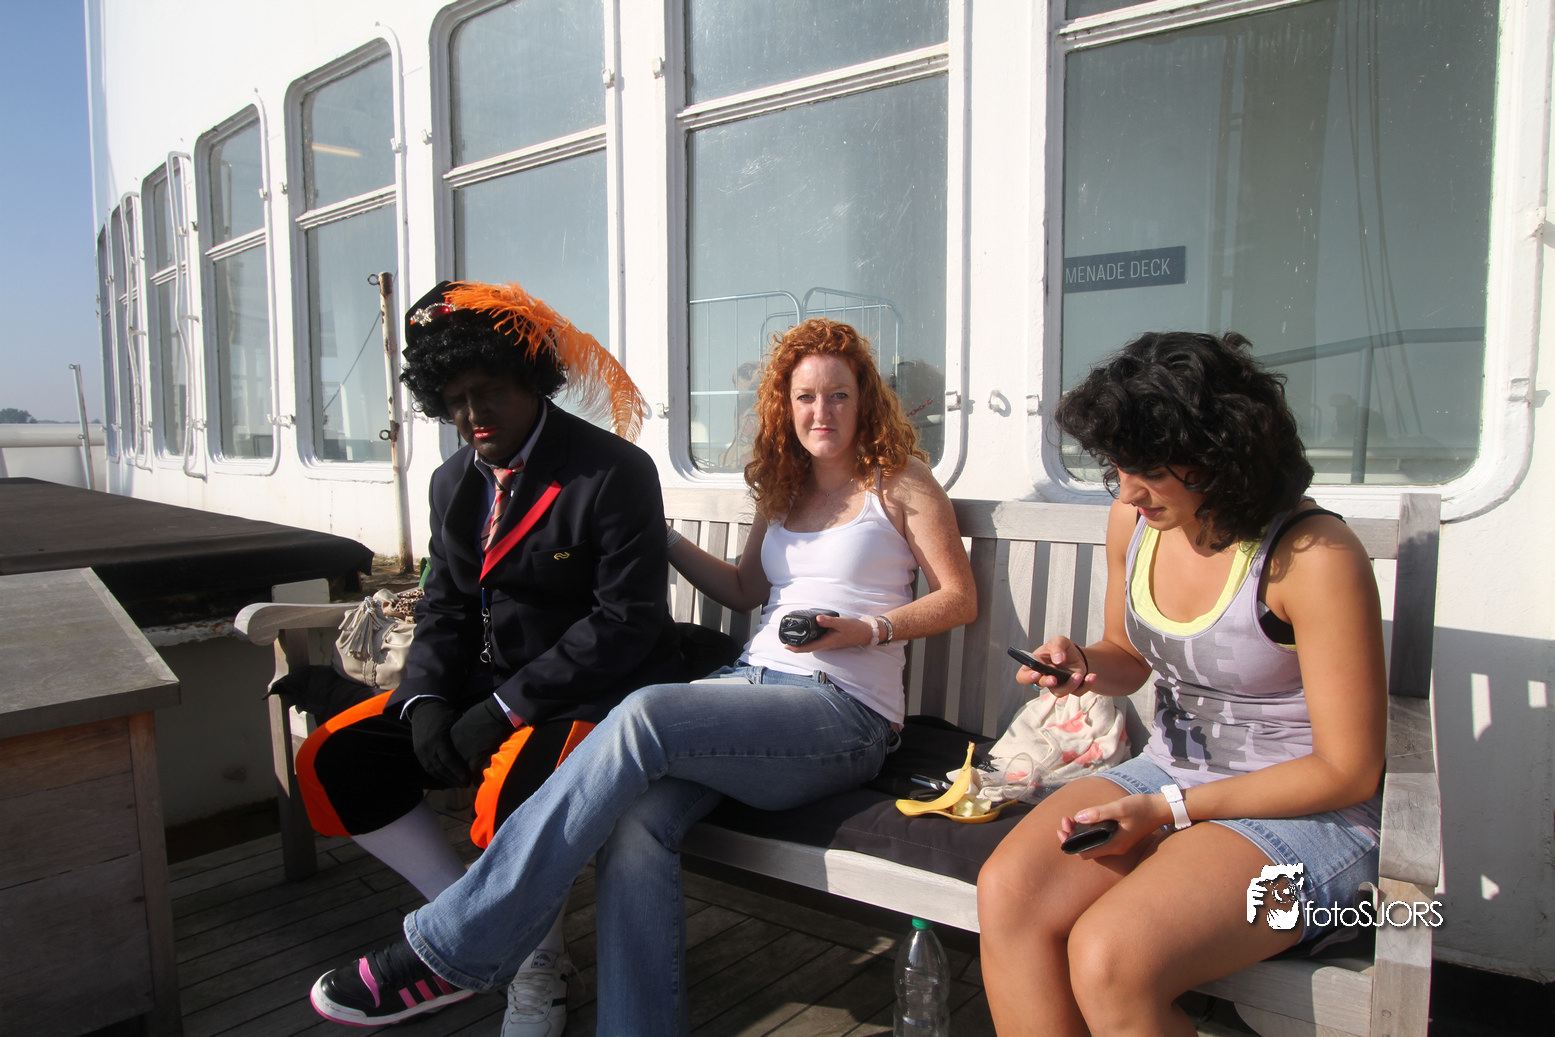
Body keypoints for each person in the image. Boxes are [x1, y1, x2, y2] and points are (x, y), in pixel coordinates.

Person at [307, 317, 978, 1033]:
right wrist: (661, 536)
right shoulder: (784, 490)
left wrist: (866, 629)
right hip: (750, 691)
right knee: (635, 824)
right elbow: (745, 591)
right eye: (805, 397)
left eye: (838, 395)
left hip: (845, 714)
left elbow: (959, 598)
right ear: (784, 406)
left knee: (647, 712)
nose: (822, 412)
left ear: (864, 397)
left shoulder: (900, 480)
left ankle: (451, 945)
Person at [294, 280, 693, 1036]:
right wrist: (425, 702)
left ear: (531, 380)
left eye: (489, 391)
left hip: (597, 692)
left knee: (510, 791)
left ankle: (512, 958)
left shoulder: (613, 470)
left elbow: (627, 621)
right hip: (486, 688)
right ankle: (501, 941)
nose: (472, 414)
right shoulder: (452, 482)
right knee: (335, 760)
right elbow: (445, 606)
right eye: (452, 399)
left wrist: (502, 709)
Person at [977, 331, 1388, 1037]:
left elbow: (1347, 770)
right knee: (1008, 891)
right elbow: (1127, 657)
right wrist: (1081, 663)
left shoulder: (1311, 556)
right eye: (1117, 466)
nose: (1128, 490)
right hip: (1168, 775)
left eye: (1149, 470)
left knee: (1111, 956)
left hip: (1308, 814)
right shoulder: (1136, 522)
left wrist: (1170, 810)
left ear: (1221, 454)